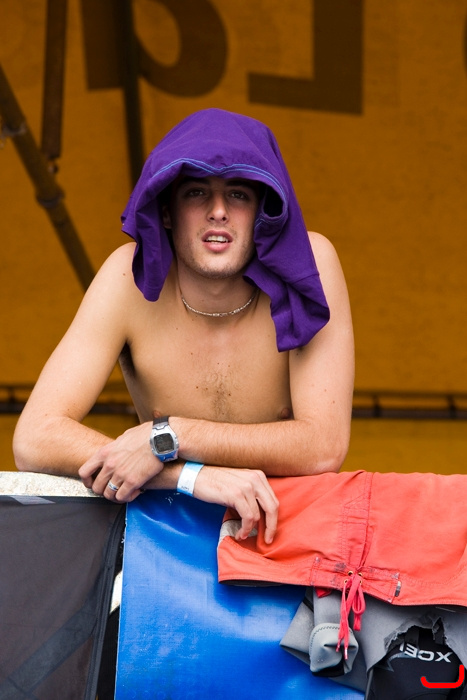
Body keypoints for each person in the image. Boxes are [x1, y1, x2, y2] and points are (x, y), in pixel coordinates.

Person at [13, 108, 354, 545]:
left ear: (263, 210)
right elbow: (34, 437)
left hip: (290, 537)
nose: (218, 211)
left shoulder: (309, 263)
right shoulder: (128, 277)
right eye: (196, 193)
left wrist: (169, 435)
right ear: (167, 211)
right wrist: (186, 475)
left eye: (238, 194)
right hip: (165, 537)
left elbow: (324, 446)